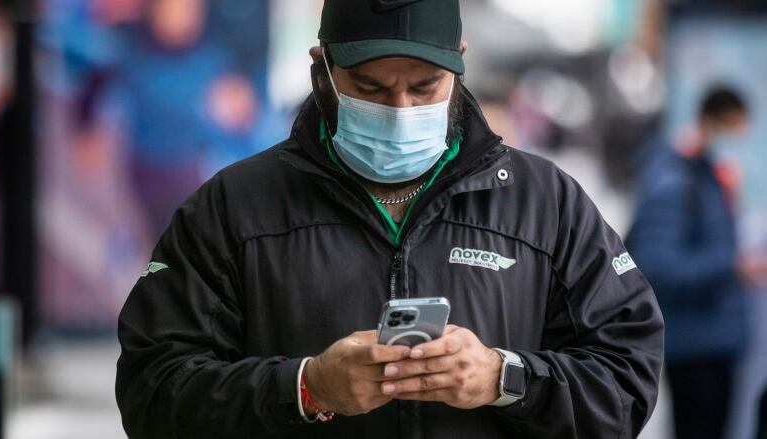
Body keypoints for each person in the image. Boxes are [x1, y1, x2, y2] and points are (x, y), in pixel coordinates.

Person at [116, 1, 664, 437]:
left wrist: (505, 378)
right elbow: (152, 393)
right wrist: (307, 388)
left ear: (460, 63)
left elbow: (626, 381)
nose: (401, 111)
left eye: (424, 87)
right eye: (370, 90)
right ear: (321, 67)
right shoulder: (233, 209)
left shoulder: (547, 205)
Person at [627, 87, 767, 439]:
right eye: (733, 130)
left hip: (718, 342)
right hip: (694, 347)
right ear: (710, 124)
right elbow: (656, 266)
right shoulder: (674, 183)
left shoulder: (708, 178)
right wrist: (732, 266)